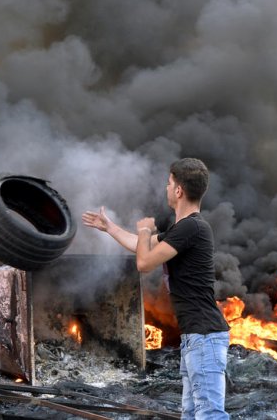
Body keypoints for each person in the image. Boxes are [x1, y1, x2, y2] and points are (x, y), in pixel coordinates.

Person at [82, 158, 230, 420]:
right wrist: (110, 228)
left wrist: (144, 230)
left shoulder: (192, 227)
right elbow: (141, 246)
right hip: (195, 338)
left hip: (204, 337)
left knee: (210, 415)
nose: (166, 187)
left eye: (169, 183)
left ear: (178, 191)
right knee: (191, 413)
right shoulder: (184, 229)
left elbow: (143, 262)